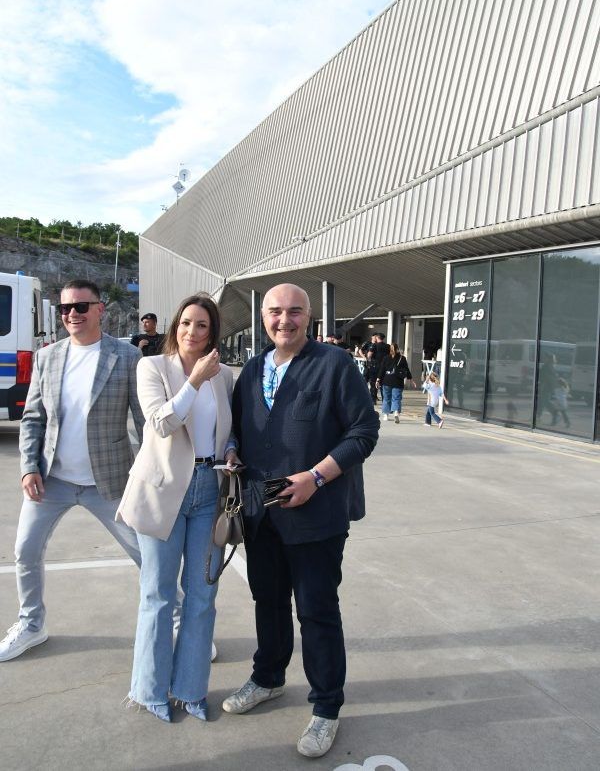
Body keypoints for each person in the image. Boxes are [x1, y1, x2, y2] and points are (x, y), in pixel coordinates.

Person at [222, 283, 379, 759]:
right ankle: (268, 677)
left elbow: (364, 431)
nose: (284, 320)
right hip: (261, 511)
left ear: (308, 317)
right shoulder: (252, 370)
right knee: (267, 601)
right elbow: (238, 428)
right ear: (263, 318)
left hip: (318, 514)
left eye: (294, 311)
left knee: (316, 611)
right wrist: (233, 450)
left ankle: (327, 706)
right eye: (275, 311)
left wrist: (316, 476)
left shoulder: (334, 365)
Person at [0, 279, 144, 662]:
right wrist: (29, 467)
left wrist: (150, 478)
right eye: (65, 308)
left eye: (81, 306)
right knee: (25, 551)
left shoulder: (127, 356)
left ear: (100, 310)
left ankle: (177, 623)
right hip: (52, 481)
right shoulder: (47, 357)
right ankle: (32, 624)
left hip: (109, 481)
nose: (72, 314)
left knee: (148, 556)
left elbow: (143, 421)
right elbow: (33, 418)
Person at [117, 294, 240, 723]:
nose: (192, 331)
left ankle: (190, 689)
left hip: (210, 490)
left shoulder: (225, 375)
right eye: (186, 322)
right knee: (158, 594)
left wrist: (232, 449)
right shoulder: (152, 367)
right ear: (175, 326)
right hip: (162, 490)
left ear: (212, 332)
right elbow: (162, 422)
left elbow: (228, 429)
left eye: (202, 325)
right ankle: (149, 690)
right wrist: (195, 380)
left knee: (202, 596)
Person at [376, 343, 416, 422]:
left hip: (387, 380)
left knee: (386, 398)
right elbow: (406, 369)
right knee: (396, 398)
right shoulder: (402, 358)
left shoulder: (386, 358)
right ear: (397, 349)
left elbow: (382, 370)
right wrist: (411, 380)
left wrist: (378, 379)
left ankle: (386, 415)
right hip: (398, 381)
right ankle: (396, 412)